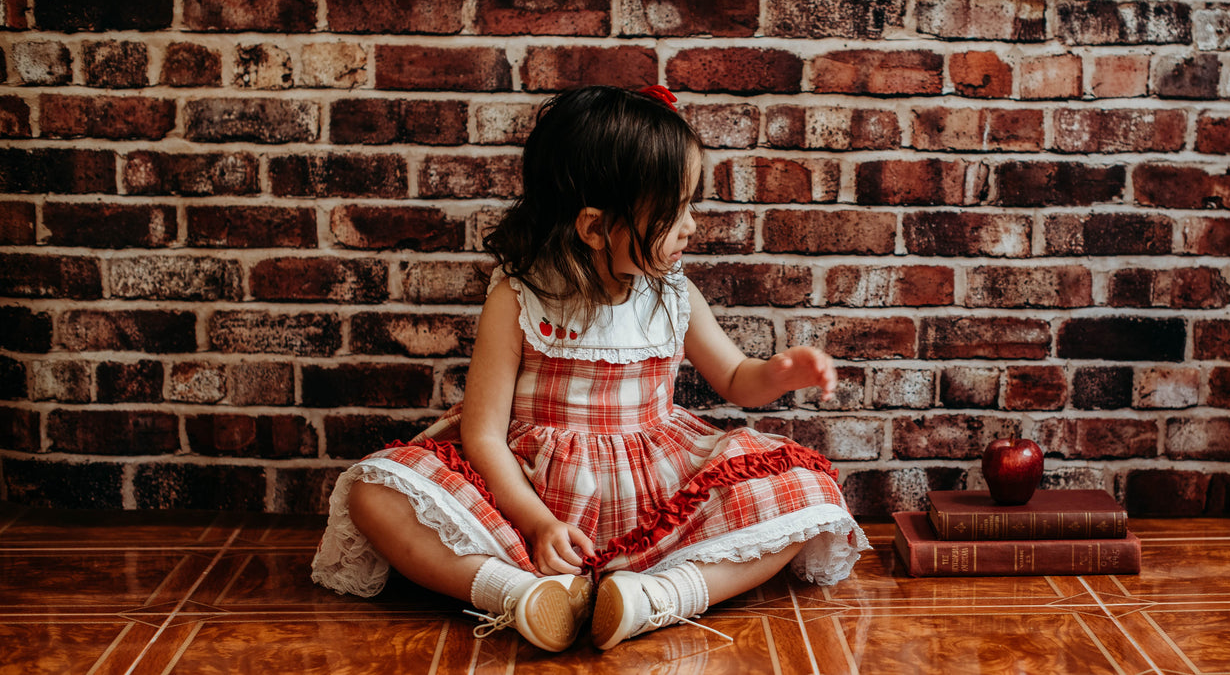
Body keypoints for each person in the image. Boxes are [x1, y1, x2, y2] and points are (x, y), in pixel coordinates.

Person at [311, 84, 868, 652]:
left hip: (655, 495)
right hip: (531, 493)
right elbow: (482, 433)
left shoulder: (673, 295)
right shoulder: (519, 298)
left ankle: (659, 596)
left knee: (808, 492)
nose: (692, 225)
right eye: (674, 211)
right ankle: (520, 594)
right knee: (375, 494)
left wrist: (778, 372)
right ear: (595, 227)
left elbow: (735, 379)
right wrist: (536, 522)